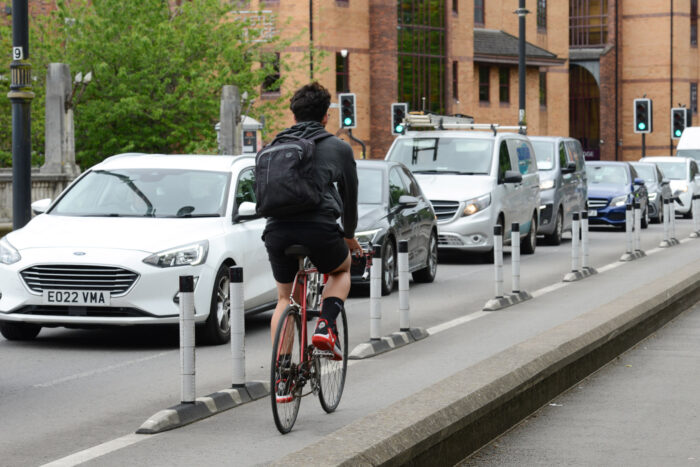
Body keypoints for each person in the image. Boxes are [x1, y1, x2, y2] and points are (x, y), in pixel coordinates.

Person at [262, 82, 361, 367]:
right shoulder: (339, 148)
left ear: (293, 116)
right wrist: (350, 236)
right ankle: (325, 327)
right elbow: (349, 198)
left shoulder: (275, 146)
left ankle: (281, 375)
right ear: (326, 117)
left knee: (285, 298)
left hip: (277, 231)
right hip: (319, 229)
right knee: (341, 270)